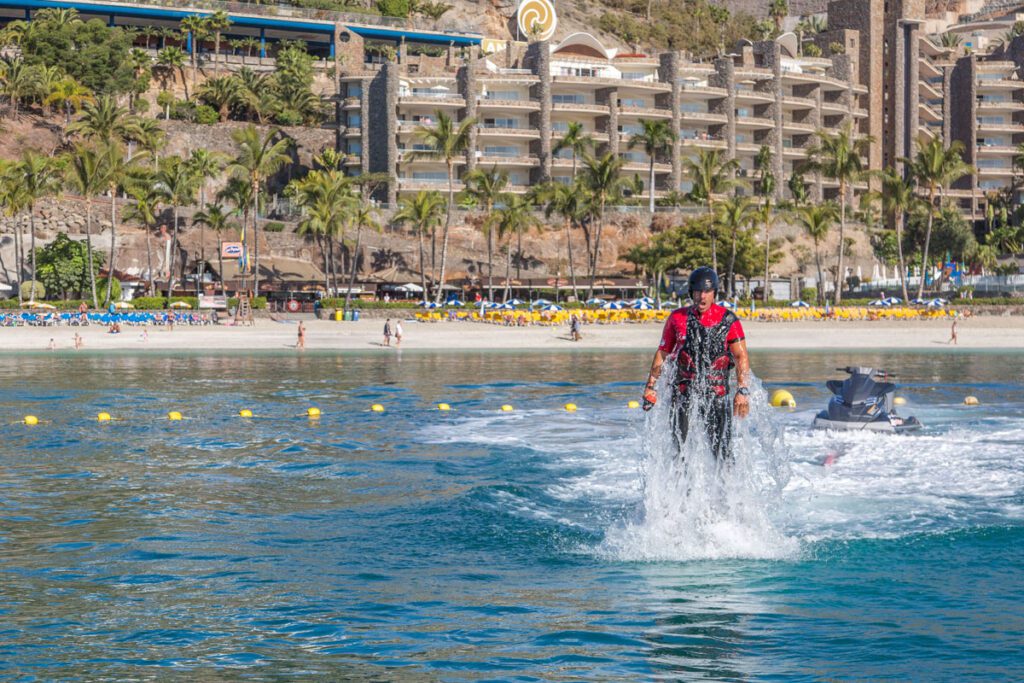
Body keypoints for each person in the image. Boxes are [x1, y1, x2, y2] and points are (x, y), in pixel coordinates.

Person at [642, 266, 751, 461]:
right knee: (679, 452)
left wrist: (742, 391)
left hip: (716, 396)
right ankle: (680, 491)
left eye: (707, 291)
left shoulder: (729, 320)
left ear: (714, 293)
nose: (702, 296)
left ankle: (727, 491)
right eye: (698, 291)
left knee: (722, 454)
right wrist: (651, 386)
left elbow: (741, 357)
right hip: (683, 394)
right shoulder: (677, 318)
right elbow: (663, 353)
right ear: (691, 292)